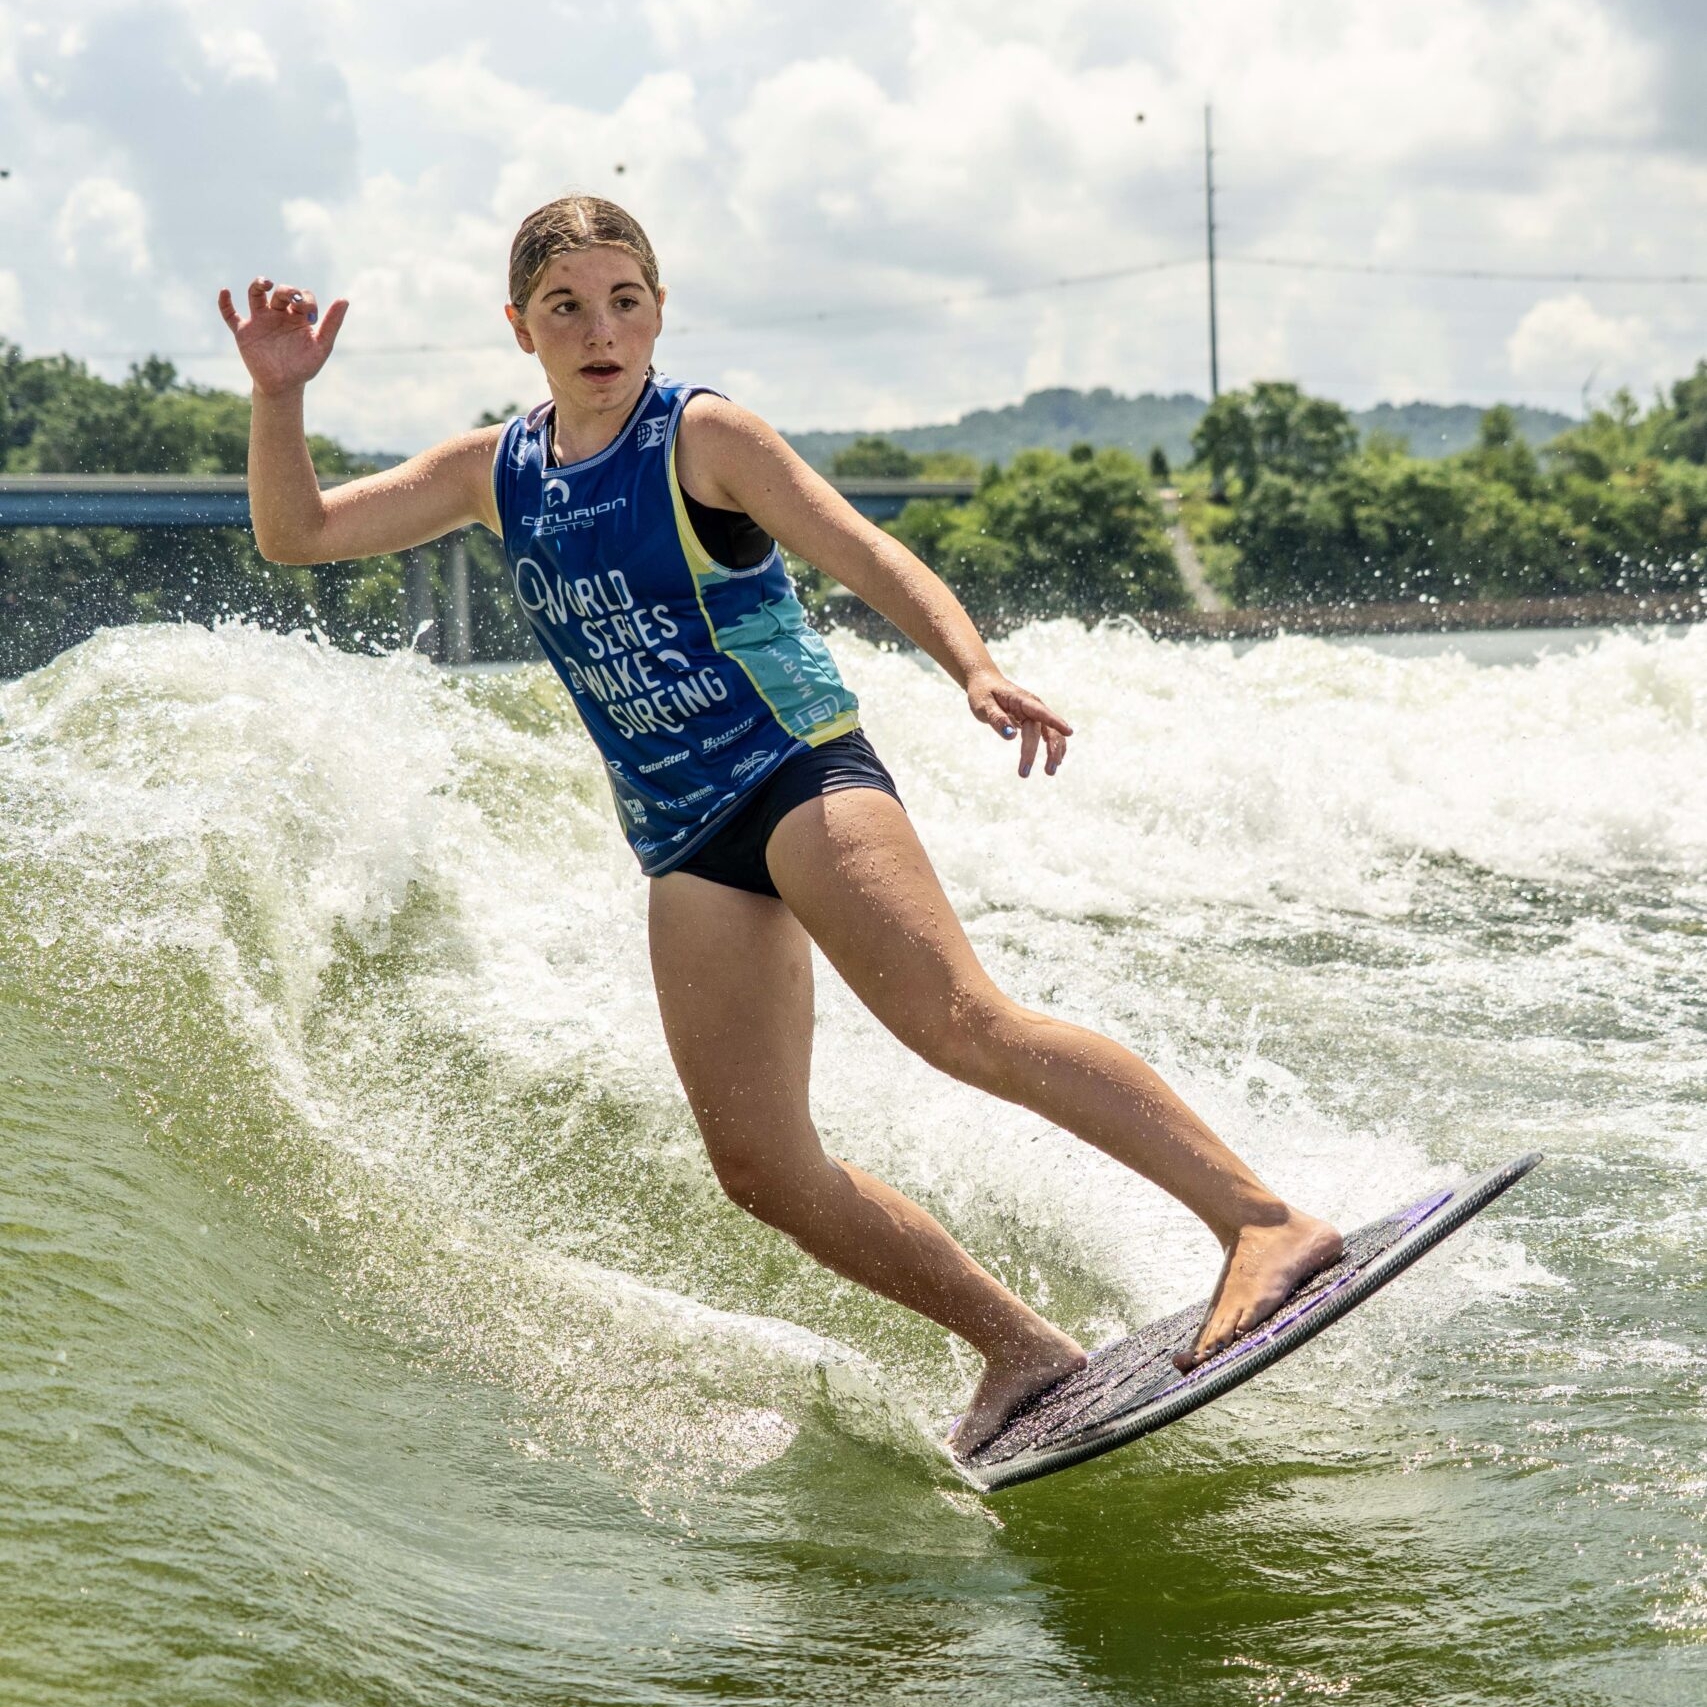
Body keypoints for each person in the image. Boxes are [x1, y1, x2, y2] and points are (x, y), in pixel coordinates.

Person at [218, 195, 1342, 1458]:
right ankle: (1023, 1350)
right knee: (760, 1168)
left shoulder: (701, 436)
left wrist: (969, 664)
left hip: (798, 774)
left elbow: (861, 550)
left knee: (957, 1023)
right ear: (519, 326)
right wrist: (279, 397)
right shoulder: (497, 472)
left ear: (658, 307)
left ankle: (1260, 1219)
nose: (601, 330)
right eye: (567, 307)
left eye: (625, 300)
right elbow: (295, 535)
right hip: (684, 839)